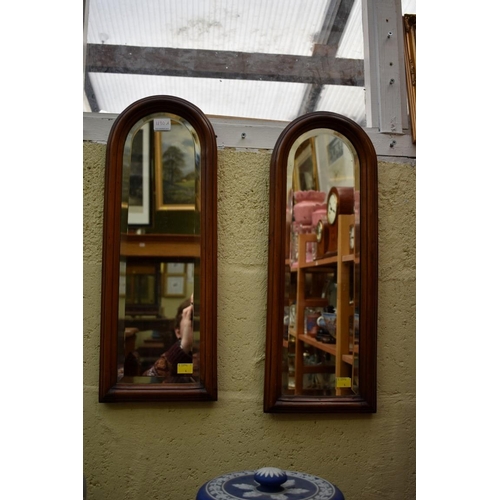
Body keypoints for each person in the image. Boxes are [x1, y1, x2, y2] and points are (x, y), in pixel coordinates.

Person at [143, 295, 196, 383]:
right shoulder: (176, 362)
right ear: (178, 332)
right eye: (191, 320)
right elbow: (149, 380)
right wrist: (184, 347)